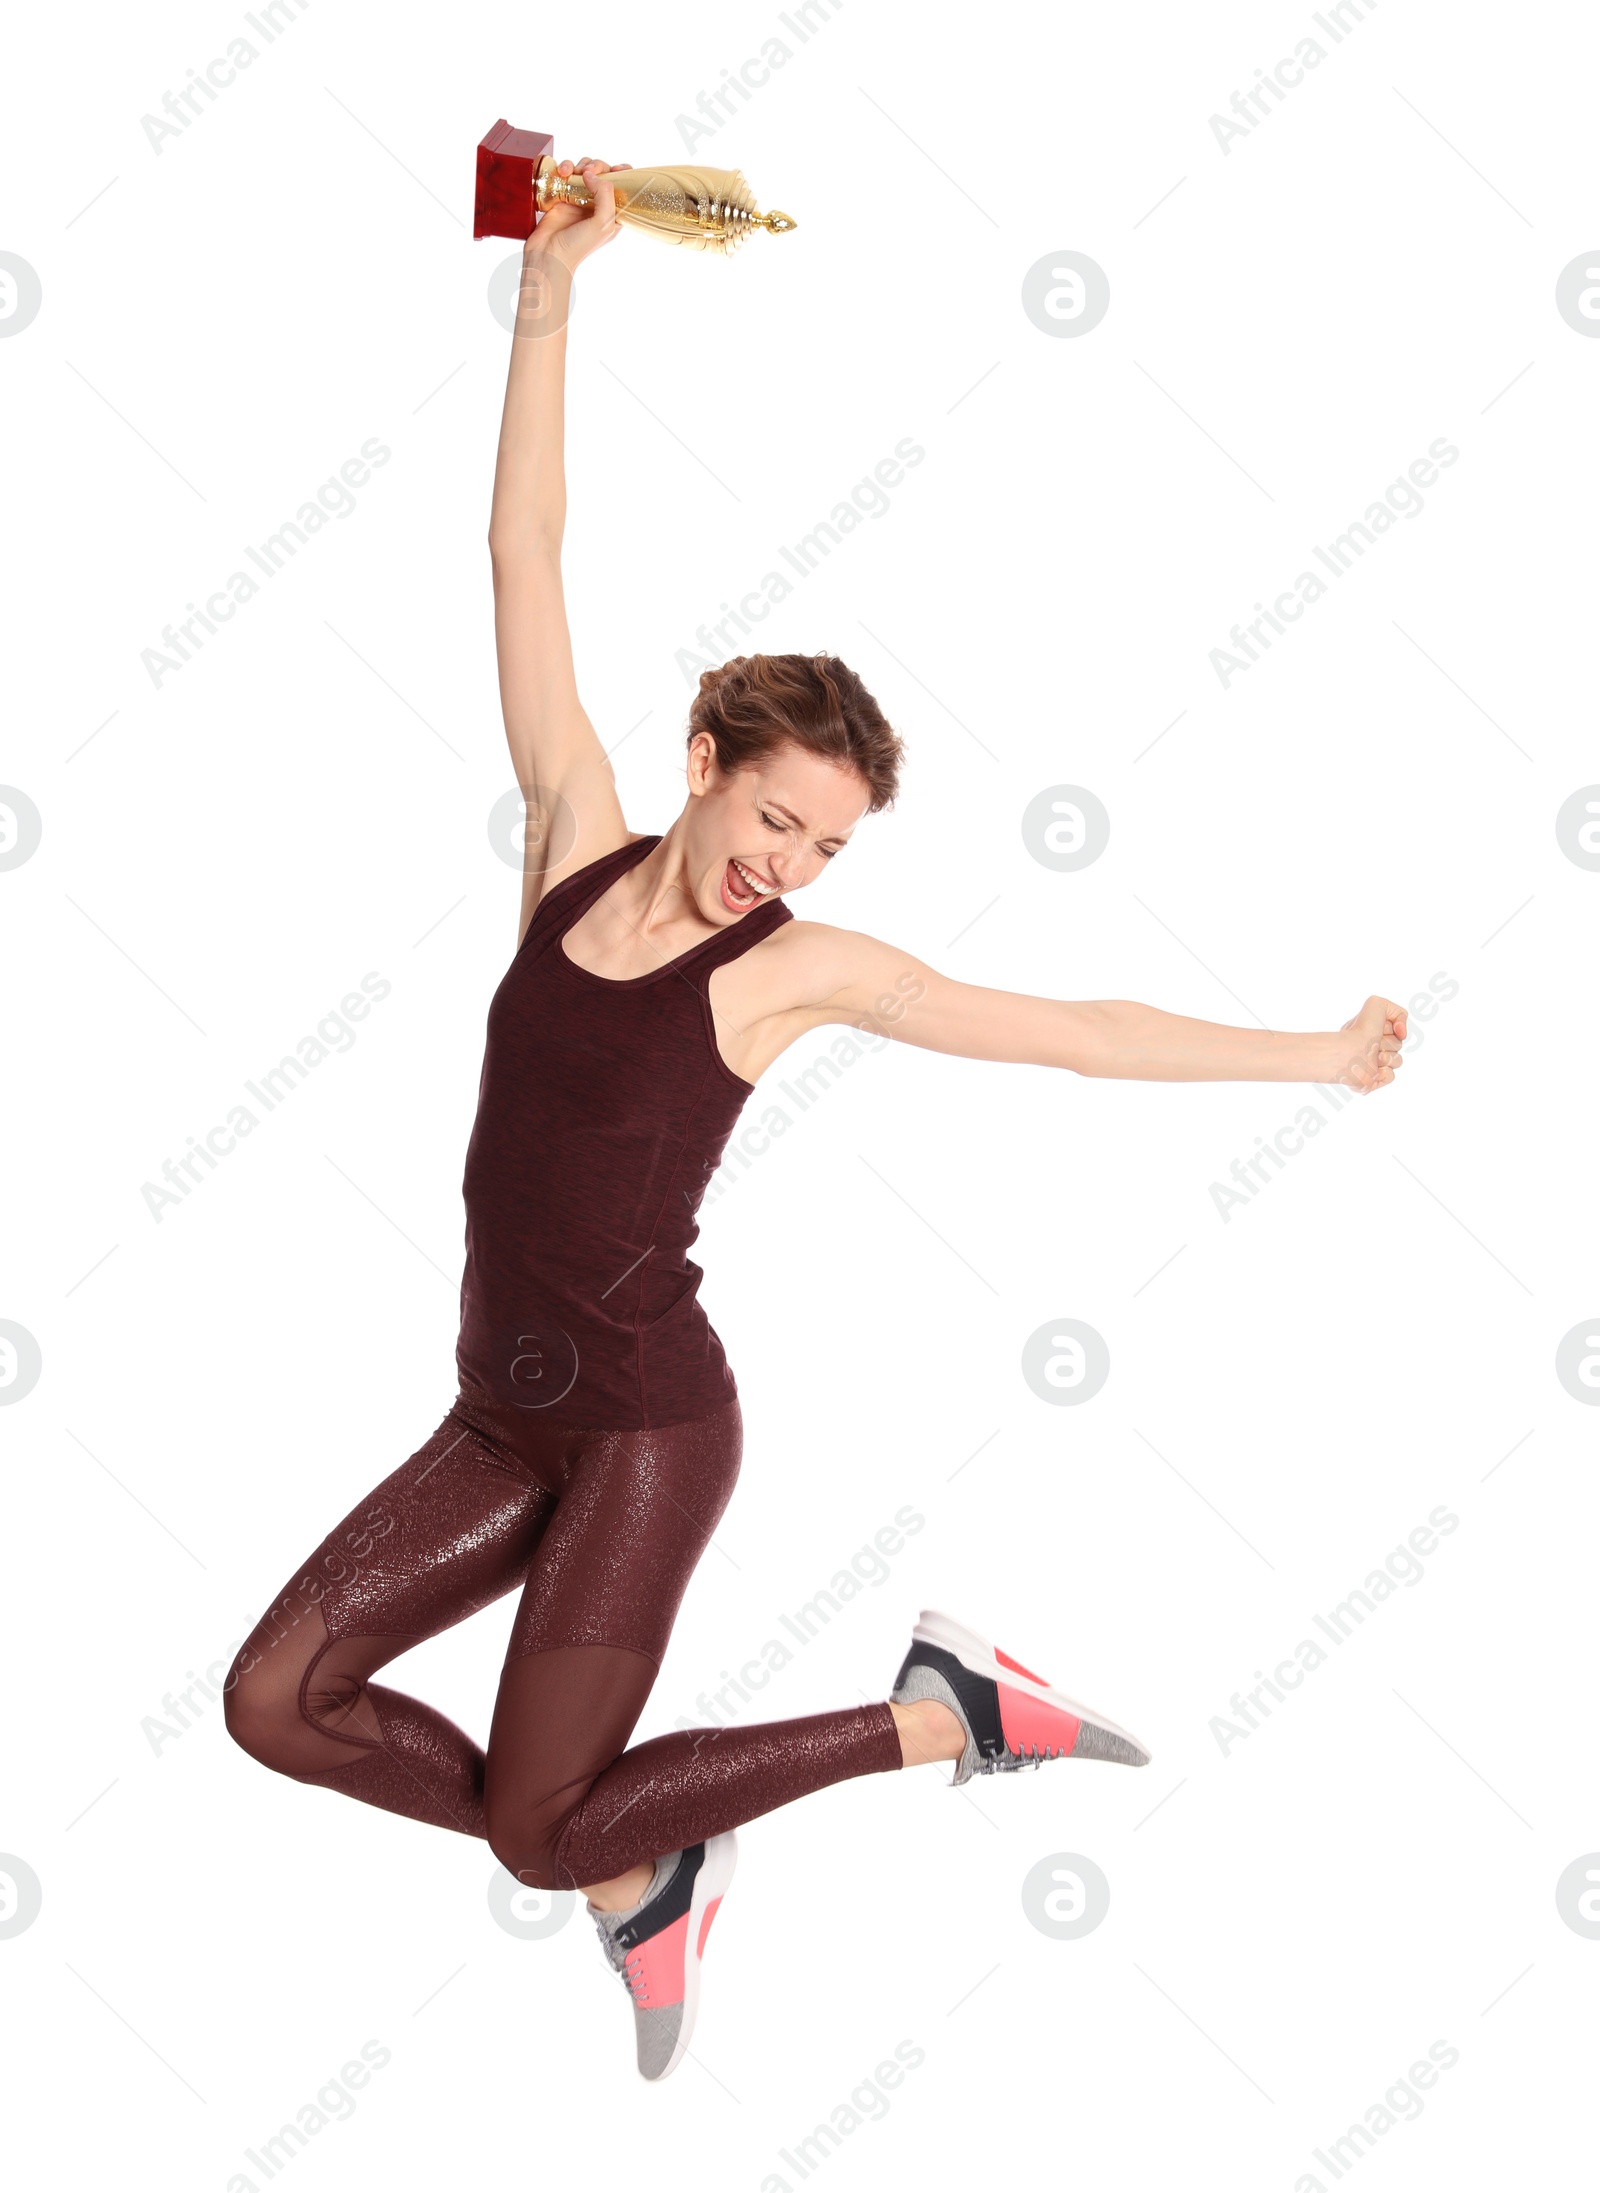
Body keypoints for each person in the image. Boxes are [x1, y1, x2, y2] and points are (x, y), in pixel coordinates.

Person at [224, 160, 1407, 2082]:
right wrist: (553, 296)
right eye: (771, 818)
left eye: (823, 846)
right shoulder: (569, 839)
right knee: (277, 1698)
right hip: (496, 1412)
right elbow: (525, 551)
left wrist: (1311, 1052)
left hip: (637, 1434)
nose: (781, 866)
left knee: (538, 1828)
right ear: (702, 763)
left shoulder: (787, 971)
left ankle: (936, 1714)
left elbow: (1073, 1033)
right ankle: (639, 1841)